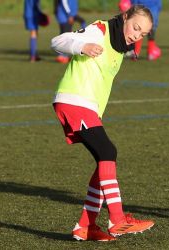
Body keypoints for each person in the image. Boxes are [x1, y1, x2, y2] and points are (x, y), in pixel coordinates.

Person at [51, 5, 155, 241]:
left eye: (142, 34)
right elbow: (58, 41)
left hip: (88, 108)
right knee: (107, 151)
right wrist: (82, 46)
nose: (136, 36)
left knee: (104, 158)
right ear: (125, 17)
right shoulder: (100, 29)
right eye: (135, 28)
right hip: (74, 100)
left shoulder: (121, 47)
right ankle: (117, 219)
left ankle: (85, 226)